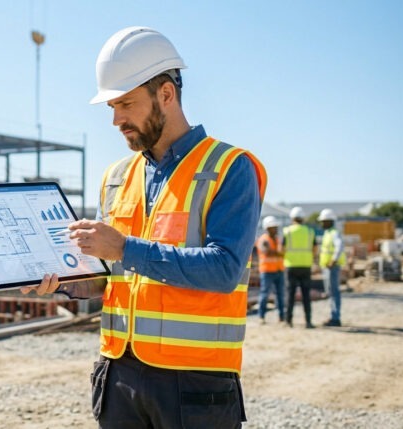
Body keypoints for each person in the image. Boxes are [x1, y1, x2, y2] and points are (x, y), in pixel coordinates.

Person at [21, 26, 267, 428]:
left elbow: (224, 270)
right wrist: (63, 280)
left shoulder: (229, 168)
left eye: (126, 104)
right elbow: (109, 280)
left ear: (166, 94)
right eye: (112, 108)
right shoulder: (116, 176)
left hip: (196, 383)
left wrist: (124, 249)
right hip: (119, 374)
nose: (116, 119)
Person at [283, 206, 317, 329]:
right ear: (303, 218)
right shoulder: (310, 232)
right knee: (306, 295)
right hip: (306, 266)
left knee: (290, 294)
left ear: (292, 218)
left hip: (291, 266)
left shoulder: (287, 231)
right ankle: (308, 321)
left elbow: (282, 249)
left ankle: (288, 321)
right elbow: (315, 249)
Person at [318, 209, 346, 327]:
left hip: (332, 267)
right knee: (331, 292)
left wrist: (333, 260)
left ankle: (335, 318)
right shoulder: (328, 233)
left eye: (323, 221)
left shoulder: (334, 233)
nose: (322, 224)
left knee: (334, 292)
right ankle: (333, 315)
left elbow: (339, 246)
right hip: (327, 267)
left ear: (329, 221)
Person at [256, 216, 285, 324]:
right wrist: (278, 252)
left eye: (276, 227)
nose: (275, 229)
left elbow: (282, 251)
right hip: (267, 270)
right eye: (273, 227)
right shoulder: (263, 239)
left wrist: (278, 251)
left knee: (280, 295)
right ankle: (261, 316)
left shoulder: (278, 239)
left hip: (279, 270)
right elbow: (267, 252)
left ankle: (282, 316)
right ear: (267, 228)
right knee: (264, 294)